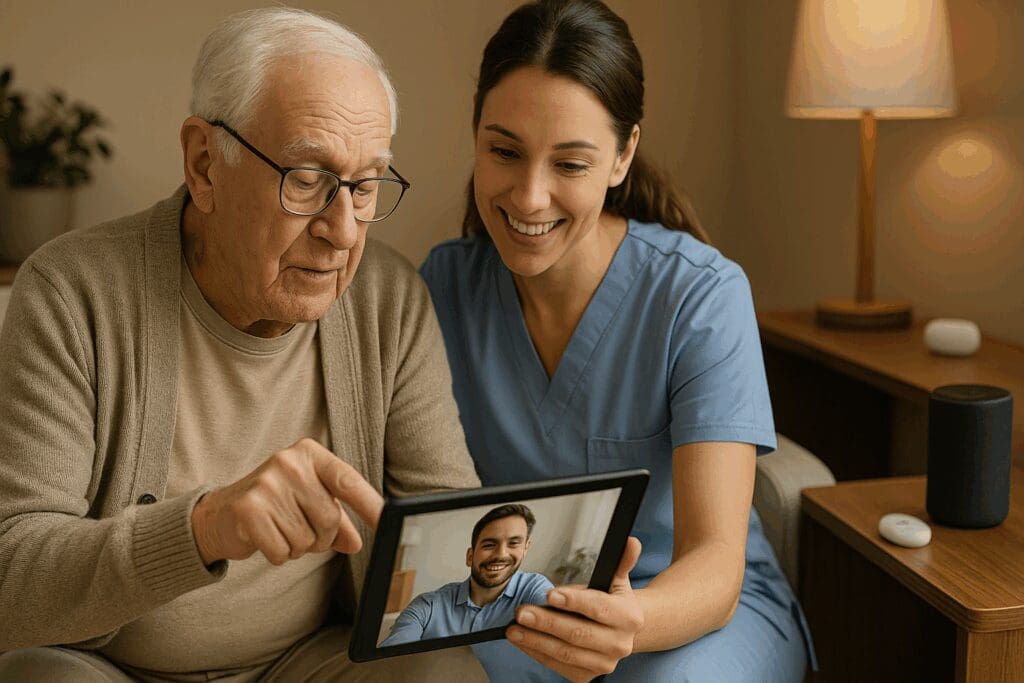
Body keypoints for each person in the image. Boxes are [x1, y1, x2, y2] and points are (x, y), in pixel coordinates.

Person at [0, 8, 489, 682]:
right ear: (205, 164)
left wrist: (540, 583)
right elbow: (11, 580)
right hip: (108, 668)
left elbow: (444, 533)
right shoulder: (70, 291)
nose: (344, 230)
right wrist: (201, 528)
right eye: (308, 178)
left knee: (446, 673)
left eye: (367, 183)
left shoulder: (388, 300)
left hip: (308, 664)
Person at [420, 0, 816, 680]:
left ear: (622, 155)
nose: (529, 196)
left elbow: (714, 563)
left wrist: (630, 622)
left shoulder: (700, 295)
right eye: (504, 151)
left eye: (570, 164)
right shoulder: (443, 287)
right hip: (520, 610)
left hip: (691, 613)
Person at [381, 504, 553, 646]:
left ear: (525, 549)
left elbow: (557, 623)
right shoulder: (428, 606)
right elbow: (389, 661)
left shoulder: (534, 589)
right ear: (470, 557)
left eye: (513, 543)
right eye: (489, 545)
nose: (501, 554)